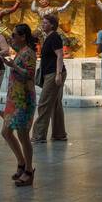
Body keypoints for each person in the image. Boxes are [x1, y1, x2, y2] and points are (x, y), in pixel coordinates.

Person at [1, 23, 38, 185]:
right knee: (6, 132)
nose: (12, 38)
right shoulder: (20, 52)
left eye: (14, 35)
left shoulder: (29, 53)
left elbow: (29, 74)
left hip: (24, 99)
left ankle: (29, 170)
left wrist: (13, 65)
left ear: (23, 37)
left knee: (23, 135)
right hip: (14, 98)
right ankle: (21, 162)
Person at [31, 13, 67, 142]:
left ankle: (38, 135)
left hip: (54, 73)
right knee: (55, 104)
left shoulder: (54, 37)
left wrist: (58, 74)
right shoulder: (48, 37)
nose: (42, 24)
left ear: (52, 25)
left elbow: (60, 55)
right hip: (51, 73)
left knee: (44, 103)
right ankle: (59, 133)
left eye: (45, 22)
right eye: (42, 22)